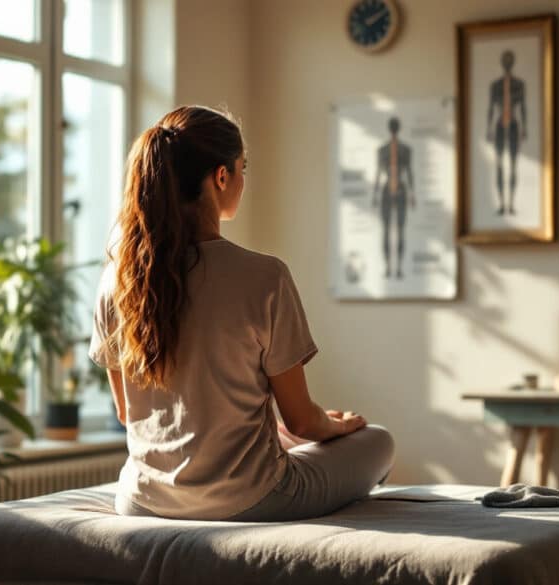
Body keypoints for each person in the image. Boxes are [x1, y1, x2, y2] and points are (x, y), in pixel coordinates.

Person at [88, 105, 395, 522]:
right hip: (252, 499)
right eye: (242, 167)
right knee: (379, 441)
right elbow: (303, 422)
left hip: (142, 500)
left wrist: (286, 435)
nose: (243, 179)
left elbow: (128, 414)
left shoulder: (117, 282)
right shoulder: (264, 276)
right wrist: (337, 428)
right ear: (221, 176)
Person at [372, 116, 415, 279]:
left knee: (400, 230)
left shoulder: (405, 150)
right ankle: (388, 266)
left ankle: (399, 267)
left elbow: (409, 172)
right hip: (386, 192)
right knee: (386, 230)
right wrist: (376, 194)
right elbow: (378, 173)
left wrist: (411, 193)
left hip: (401, 191)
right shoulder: (382, 150)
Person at [486, 49, 527, 215]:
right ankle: (502, 203)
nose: (507, 63)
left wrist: (524, 128)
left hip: (514, 125)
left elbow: (523, 107)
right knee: (499, 165)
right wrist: (488, 128)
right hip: (500, 125)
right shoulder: (495, 85)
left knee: (513, 165)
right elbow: (490, 107)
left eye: (510, 60)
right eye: (505, 60)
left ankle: (511, 203)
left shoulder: (519, 84)